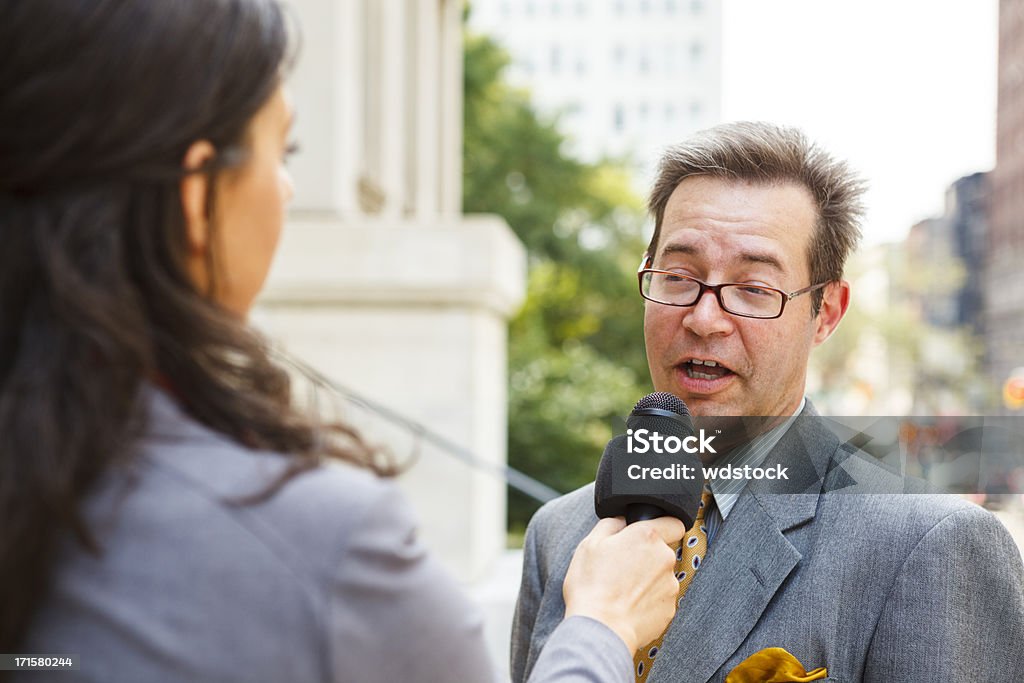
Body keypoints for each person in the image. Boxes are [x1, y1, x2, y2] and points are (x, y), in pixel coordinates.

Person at [0, 1, 685, 681]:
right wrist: (601, 624)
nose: (290, 189)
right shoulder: (317, 541)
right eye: (283, 150)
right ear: (194, 194)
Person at [511, 122, 1024, 682]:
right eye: (679, 276)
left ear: (826, 311)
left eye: (755, 289)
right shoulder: (559, 533)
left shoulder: (930, 545)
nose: (704, 318)